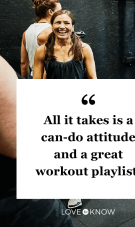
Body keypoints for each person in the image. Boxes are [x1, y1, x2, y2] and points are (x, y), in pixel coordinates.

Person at [0, 56, 74, 226]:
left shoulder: (82, 49)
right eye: (57, 26)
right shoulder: (42, 48)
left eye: (67, 26)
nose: (62, 27)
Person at [33, 10, 97, 79]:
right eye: (58, 23)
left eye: (66, 23)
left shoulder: (84, 49)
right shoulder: (42, 50)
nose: (62, 26)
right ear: (52, 26)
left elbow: (92, 78)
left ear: (72, 27)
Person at [21, 0, 62, 79]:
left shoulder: (26, 32)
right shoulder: (52, 31)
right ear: (50, 12)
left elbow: (23, 64)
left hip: (32, 77)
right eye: (59, 11)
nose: (61, 14)